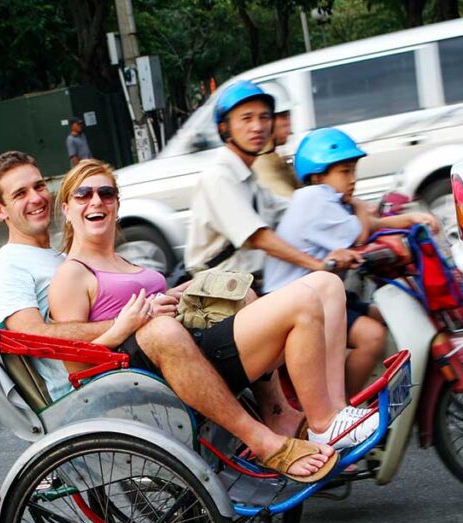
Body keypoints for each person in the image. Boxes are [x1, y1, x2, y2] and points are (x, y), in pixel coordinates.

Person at [0, 151, 344, 483]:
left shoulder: (61, 256)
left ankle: (283, 410)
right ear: (0, 210)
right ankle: (285, 431)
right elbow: (32, 336)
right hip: (106, 382)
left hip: (151, 347)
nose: (36, 198)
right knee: (168, 329)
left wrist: (171, 296)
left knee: (251, 291)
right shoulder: (8, 268)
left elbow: (115, 297)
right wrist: (130, 320)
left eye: (38, 186)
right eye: (20, 194)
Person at [48, 159, 379, 463]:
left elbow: (154, 306)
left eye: (106, 193)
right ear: (67, 208)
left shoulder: (124, 262)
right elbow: (77, 367)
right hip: (161, 373)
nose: (96, 201)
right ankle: (321, 422)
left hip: (189, 343)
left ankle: (335, 411)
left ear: (117, 205)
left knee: (326, 285)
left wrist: (175, 294)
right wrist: (123, 327)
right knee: (303, 302)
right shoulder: (72, 274)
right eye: (83, 194)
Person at [264, 128, 440, 393]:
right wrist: (358, 205)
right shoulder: (313, 199)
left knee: (385, 316)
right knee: (372, 336)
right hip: (293, 303)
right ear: (318, 175)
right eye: (344, 172)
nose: (352, 179)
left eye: (353, 171)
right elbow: (360, 233)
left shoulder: (328, 201)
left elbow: (373, 223)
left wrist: (412, 220)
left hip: (319, 296)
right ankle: (341, 409)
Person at [185, 80, 357, 277]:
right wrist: (318, 265)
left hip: (252, 282)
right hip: (222, 292)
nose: (257, 127)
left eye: (264, 117)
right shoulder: (218, 178)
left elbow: (294, 209)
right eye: (246, 119)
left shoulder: (250, 178)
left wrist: (355, 207)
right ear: (225, 128)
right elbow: (260, 238)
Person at [252, 81, 298, 199]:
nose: (288, 122)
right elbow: (291, 204)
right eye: (282, 116)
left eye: (288, 115)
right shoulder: (262, 165)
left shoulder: (274, 158)